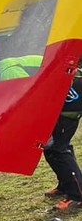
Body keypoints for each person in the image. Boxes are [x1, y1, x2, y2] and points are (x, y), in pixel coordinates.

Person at [44, 60, 82, 211]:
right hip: (59, 109)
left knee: (57, 149)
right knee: (51, 148)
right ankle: (66, 184)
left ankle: (76, 196)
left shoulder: (8, 70)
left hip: (67, 111)